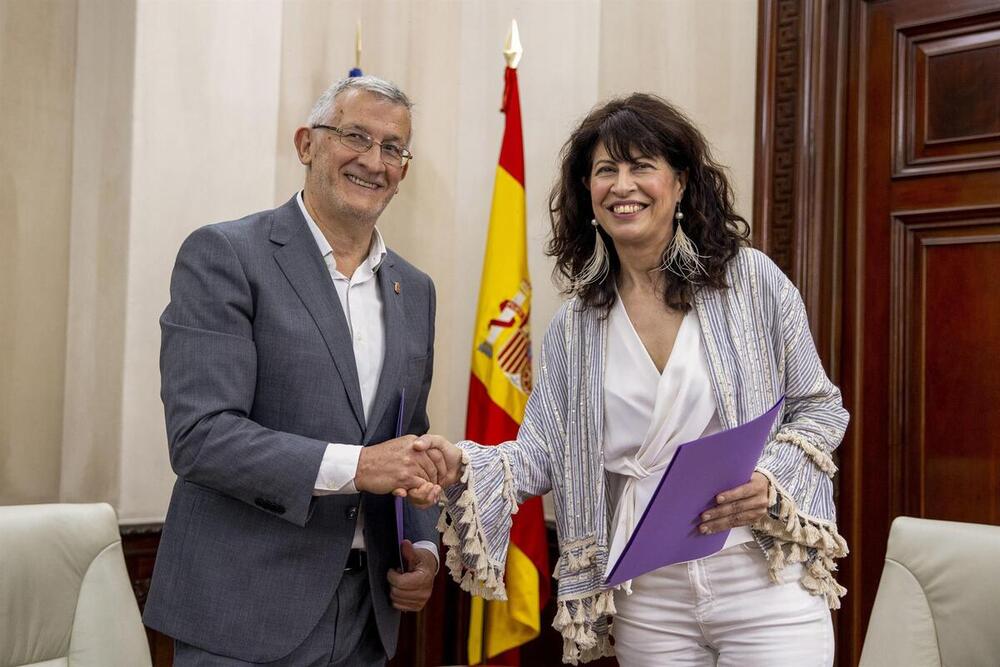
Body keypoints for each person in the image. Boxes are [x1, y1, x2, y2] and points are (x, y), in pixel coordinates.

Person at [415, 93, 849, 666]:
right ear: (587, 194)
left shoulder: (750, 281)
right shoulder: (577, 322)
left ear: (681, 183)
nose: (623, 185)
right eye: (605, 171)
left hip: (762, 574)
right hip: (646, 588)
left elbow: (820, 408)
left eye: (641, 166)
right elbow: (543, 451)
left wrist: (771, 479)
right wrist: (460, 464)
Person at [143, 75, 447, 667]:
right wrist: (360, 466)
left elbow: (408, 442)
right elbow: (201, 437)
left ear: (404, 172)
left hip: (367, 618)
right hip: (241, 614)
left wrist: (425, 548)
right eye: (354, 136)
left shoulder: (417, 290)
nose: (373, 161)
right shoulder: (225, 255)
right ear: (307, 143)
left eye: (392, 148)